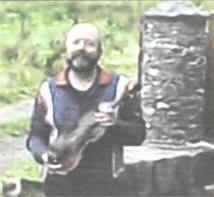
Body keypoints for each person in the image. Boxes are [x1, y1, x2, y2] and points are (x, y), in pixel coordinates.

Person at [26, 23, 146, 196]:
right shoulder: (48, 90)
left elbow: (139, 135)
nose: (82, 48)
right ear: (66, 48)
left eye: (90, 44)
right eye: (76, 43)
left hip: (108, 185)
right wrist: (44, 155)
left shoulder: (120, 87)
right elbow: (35, 136)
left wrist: (115, 125)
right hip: (60, 186)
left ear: (99, 51)